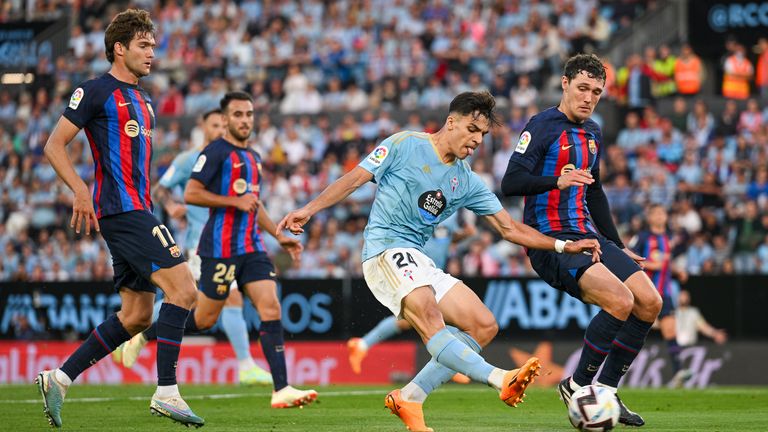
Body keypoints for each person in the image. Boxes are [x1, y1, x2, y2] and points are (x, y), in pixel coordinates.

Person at [278, 91, 601, 432]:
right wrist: (307, 210)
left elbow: (509, 228)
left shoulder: (467, 180)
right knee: (429, 313)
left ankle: (411, 397)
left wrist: (565, 245)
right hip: (385, 250)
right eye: (472, 129)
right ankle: (499, 377)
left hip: (419, 260)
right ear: (451, 122)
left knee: (483, 324)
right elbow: (353, 179)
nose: (477, 139)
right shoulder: (404, 144)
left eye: (483, 134)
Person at [37, 9, 204, 428]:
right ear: (120, 48)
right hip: (122, 210)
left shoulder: (145, 100)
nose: (152, 53)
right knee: (184, 289)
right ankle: (167, 391)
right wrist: (79, 189)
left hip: (138, 209)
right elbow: (54, 146)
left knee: (136, 316)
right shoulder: (94, 92)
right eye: (144, 45)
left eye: (152, 45)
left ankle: (59, 378)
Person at [121, 91, 318, 409]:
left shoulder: (254, 158)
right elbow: (192, 193)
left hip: (251, 247)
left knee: (270, 306)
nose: (244, 120)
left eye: (249, 114)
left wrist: (279, 235)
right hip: (218, 249)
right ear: (225, 120)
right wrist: (232, 201)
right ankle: (147, 333)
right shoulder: (214, 153)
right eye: (238, 115)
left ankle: (281, 388)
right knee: (204, 318)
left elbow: (254, 204)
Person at [501, 53, 662, 427]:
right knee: (620, 301)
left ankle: (605, 392)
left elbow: (595, 192)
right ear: (565, 83)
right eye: (583, 88)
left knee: (650, 303)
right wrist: (555, 181)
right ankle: (577, 384)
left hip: (590, 235)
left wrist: (617, 244)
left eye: (597, 92)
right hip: (553, 241)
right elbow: (511, 182)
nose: (589, 98)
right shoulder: (541, 126)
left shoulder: (594, 132)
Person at [115, 109, 272, 386]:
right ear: (203, 127)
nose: (221, 129)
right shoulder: (189, 159)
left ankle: (134, 330)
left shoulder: (231, 160)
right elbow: (160, 188)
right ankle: (245, 365)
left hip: (227, 243)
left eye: (224, 125)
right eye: (215, 125)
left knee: (192, 300)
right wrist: (172, 206)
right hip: (201, 244)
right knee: (216, 298)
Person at [347, 213, 475, 384]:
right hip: (417, 271)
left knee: (410, 321)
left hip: (435, 274)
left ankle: (362, 345)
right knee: (439, 320)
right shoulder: (421, 212)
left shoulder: (450, 215)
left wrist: (463, 235)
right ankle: (449, 363)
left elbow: (447, 238)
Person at [630, 204, 691, 387]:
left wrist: (676, 270)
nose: (660, 216)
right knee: (632, 332)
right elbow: (628, 257)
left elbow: (665, 263)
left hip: (664, 292)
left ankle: (679, 371)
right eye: (656, 213)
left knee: (671, 331)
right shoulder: (642, 238)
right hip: (644, 292)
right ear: (649, 217)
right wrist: (649, 265)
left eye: (662, 212)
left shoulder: (668, 238)